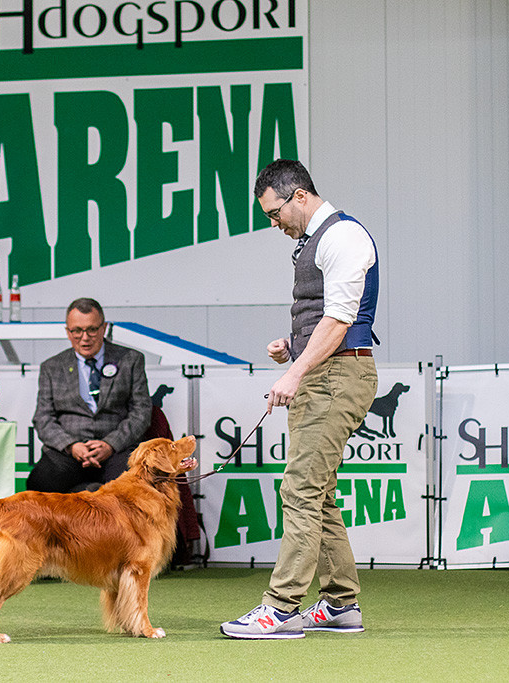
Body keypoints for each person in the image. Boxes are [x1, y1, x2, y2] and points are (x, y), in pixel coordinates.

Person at [220, 159, 379, 639]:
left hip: (338, 376)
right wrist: (292, 346)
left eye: (274, 213)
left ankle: (281, 608)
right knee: (320, 492)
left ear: (300, 196)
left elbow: (340, 320)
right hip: (325, 372)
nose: (275, 223)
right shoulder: (317, 240)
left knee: (300, 489)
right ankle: (339, 604)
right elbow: (322, 320)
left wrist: (296, 370)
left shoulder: (343, 236)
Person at [27, 298, 151, 493]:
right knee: (41, 481)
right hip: (68, 453)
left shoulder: (131, 360)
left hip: (117, 451)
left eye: (92, 329)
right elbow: (43, 418)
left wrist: (110, 444)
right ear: (67, 332)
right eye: (77, 330)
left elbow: (141, 412)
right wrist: (71, 446)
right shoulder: (51, 367)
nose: (84, 337)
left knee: (134, 486)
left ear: (104, 328)